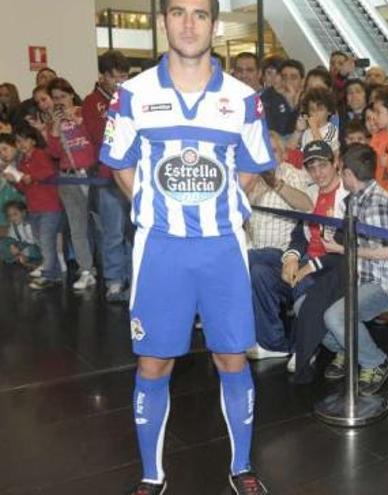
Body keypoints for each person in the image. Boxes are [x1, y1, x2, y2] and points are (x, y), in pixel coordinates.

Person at [99, 0, 276, 492]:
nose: (189, 23)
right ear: (163, 23)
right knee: (153, 362)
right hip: (161, 250)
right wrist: (155, 205)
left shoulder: (243, 98)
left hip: (222, 250)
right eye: (178, 12)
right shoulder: (132, 94)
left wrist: (221, 204)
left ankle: (242, 466)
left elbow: (254, 167)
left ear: (215, 25)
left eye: (200, 13)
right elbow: (120, 164)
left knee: (232, 359)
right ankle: (151, 475)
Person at [250, 141, 347, 370]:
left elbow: (342, 249)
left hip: (332, 267)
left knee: (306, 288)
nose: (317, 173)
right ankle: (272, 343)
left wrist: (307, 265)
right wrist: (291, 257)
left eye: (322, 165)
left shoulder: (347, 196)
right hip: (306, 260)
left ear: (335, 164)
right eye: (312, 168)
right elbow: (299, 234)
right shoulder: (312, 192)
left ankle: (305, 347)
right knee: (259, 273)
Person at [321, 144, 388, 395]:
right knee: (308, 307)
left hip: (382, 285)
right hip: (359, 278)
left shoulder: (376, 202)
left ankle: (376, 362)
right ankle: (347, 349)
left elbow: (385, 252)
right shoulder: (356, 199)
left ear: (348, 174)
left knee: (335, 316)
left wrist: (340, 250)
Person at [84, 49, 132, 301]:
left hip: (132, 175)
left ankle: (135, 280)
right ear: (102, 76)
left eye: (124, 77)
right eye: (115, 77)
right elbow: (99, 137)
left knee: (134, 232)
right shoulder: (92, 102)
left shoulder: (132, 98)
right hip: (106, 177)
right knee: (112, 232)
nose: (120, 82)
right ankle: (114, 278)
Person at [45, 77, 98, 291]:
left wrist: (77, 121)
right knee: (77, 227)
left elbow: (96, 140)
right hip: (68, 177)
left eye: (63, 96)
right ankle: (86, 270)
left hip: (91, 175)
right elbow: (54, 153)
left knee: (102, 225)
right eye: (55, 98)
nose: (60, 101)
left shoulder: (84, 113)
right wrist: (56, 126)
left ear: (71, 95)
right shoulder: (53, 122)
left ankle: (114, 269)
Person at [7, 126, 63, 290]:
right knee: (41, 241)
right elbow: (25, 187)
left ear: (33, 140)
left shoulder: (40, 154)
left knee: (46, 240)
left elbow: (49, 171)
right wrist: (15, 179)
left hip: (49, 206)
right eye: (18, 141)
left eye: (25, 139)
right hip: (35, 207)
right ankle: (54, 273)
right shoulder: (23, 161)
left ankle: (49, 275)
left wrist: (30, 177)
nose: (21, 144)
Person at [261, 59, 304, 138]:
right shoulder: (268, 99)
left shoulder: (308, 100)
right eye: (284, 77)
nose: (288, 81)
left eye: (293, 77)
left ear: (302, 81)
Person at [295, 87, 339, 152]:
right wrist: (298, 131)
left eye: (320, 109)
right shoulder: (306, 132)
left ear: (329, 111)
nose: (316, 113)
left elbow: (323, 151)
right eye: (312, 109)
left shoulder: (332, 130)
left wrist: (314, 128)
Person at [0, 200, 40, 267]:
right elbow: (11, 237)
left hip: (31, 246)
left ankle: (28, 260)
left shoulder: (28, 224)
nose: (12, 218)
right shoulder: (13, 225)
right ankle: (18, 258)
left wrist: (19, 248)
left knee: (31, 250)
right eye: (9, 215)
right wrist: (12, 245)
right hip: (18, 246)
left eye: (15, 214)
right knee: (3, 243)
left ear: (23, 213)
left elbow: (32, 241)